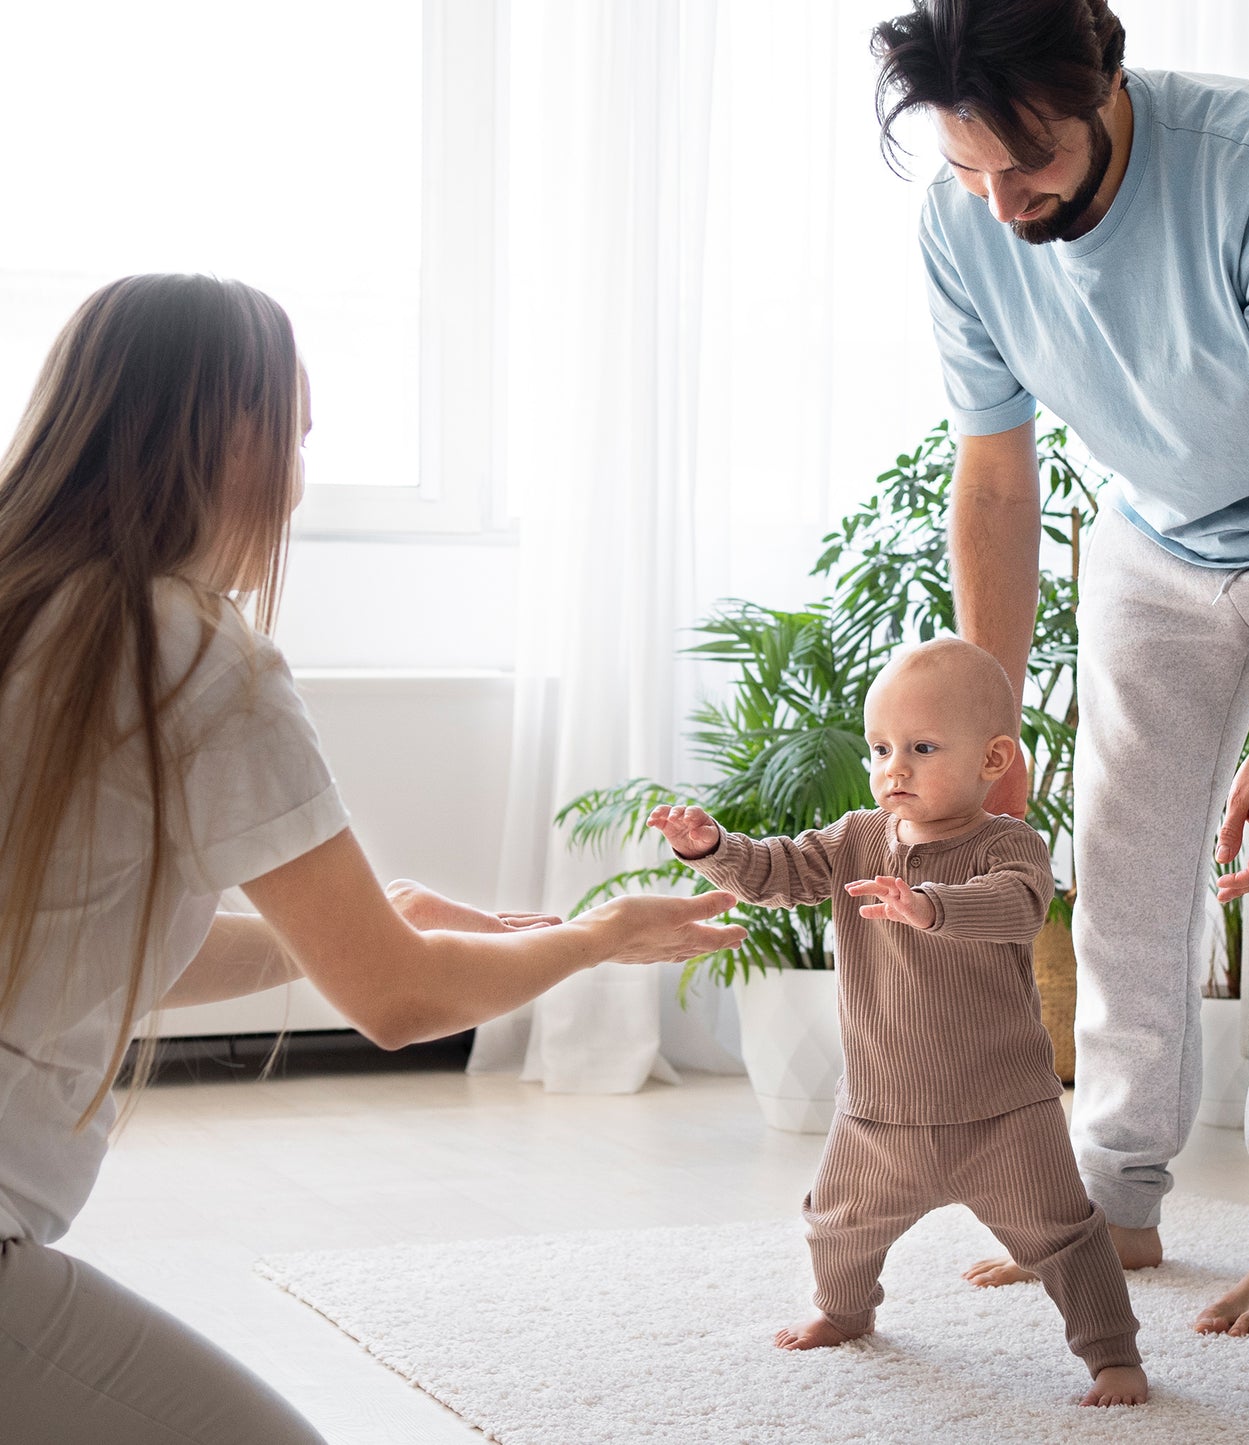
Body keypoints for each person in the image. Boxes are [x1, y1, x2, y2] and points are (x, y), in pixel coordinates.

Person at [0, 273, 747, 1445]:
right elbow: (398, 1000)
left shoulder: (27, 610)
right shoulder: (192, 655)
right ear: (232, 436)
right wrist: (596, 937)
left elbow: (80, 943)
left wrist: (371, 914)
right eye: (295, 436)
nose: (298, 479)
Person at [870, 0, 1249, 1337]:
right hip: (1153, 525)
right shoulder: (965, 220)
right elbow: (997, 482)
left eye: (1028, 167)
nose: (1001, 203)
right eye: (968, 171)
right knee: (1122, 867)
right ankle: (1115, 1200)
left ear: (1104, 86)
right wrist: (981, 741)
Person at [649, 639, 1148, 1408]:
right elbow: (779, 871)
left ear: (991, 758)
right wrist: (715, 849)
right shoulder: (856, 836)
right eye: (881, 747)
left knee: (1065, 1234)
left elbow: (1017, 906)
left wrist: (931, 907)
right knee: (835, 1224)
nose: (894, 768)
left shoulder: (1008, 843)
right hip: (880, 1108)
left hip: (1004, 1110)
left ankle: (1112, 1354)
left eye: (920, 748)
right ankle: (843, 1311)